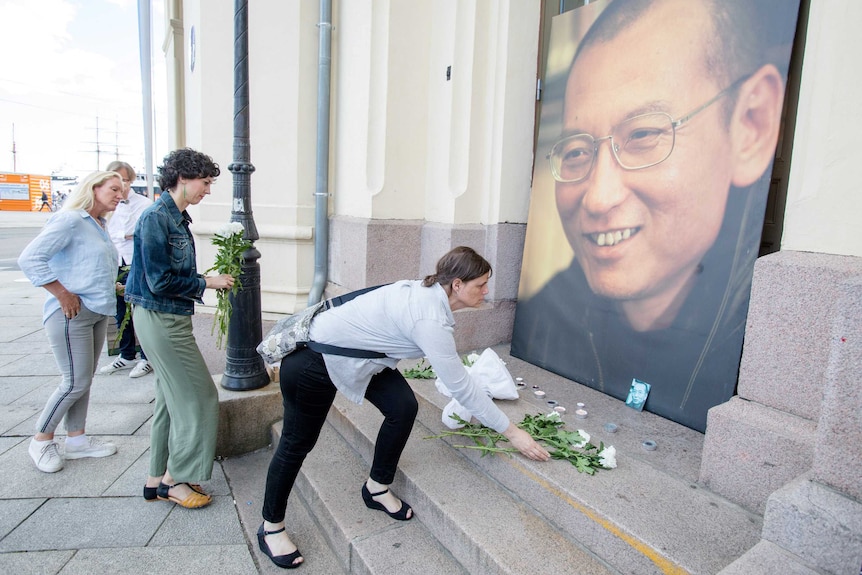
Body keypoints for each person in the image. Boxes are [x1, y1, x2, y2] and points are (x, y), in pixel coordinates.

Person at [512, 0, 795, 432]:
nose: (598, 198)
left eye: (643, 134)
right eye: (575, 152)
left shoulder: (768, 345)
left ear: (751, 125)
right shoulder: (543, 320)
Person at [258, 246, 550, 569]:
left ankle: (376, 487)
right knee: (296, 444)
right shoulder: (430, 318)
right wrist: (512, 432)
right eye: (480, 284)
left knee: (403, 406)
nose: (486, 291)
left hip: (361, 358)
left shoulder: (429, 295)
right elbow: (462, 388)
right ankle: (271, 527)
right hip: (313, 363)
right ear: (456, 285)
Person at [124, 148, 234, 509]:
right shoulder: (158, 217)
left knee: (171, 402)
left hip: (163, 317)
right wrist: (207, 282)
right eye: (205, 182)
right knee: (201, 398)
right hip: (162, 319)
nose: (208, 190)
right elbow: (160, 281)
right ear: (183, 178)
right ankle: (175, 480)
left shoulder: (174, 216)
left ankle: (156, 478)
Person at [18, 171, 125, 472]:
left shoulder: (97, 224)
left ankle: (76, 440)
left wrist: (113, 287)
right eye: (114, 189)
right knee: (74, 381)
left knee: (83, 381)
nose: (120, 195)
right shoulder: (70, 220)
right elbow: (30, 258)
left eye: (122, 190)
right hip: (71, 314)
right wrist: (62, 293)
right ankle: (41, 440)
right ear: (93, 187)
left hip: (96, 311)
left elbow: (85, 266)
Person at [97, 161, 153, 378]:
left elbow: (138, 233)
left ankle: (146, 358)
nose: (121, 187)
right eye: (115, 183)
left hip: (135, 262)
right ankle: (126, 354)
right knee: (121, 311)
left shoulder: (143, 203)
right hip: (116, 262)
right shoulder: (109, 206)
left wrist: (124, 235)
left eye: (125, 181)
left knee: (140, 310)